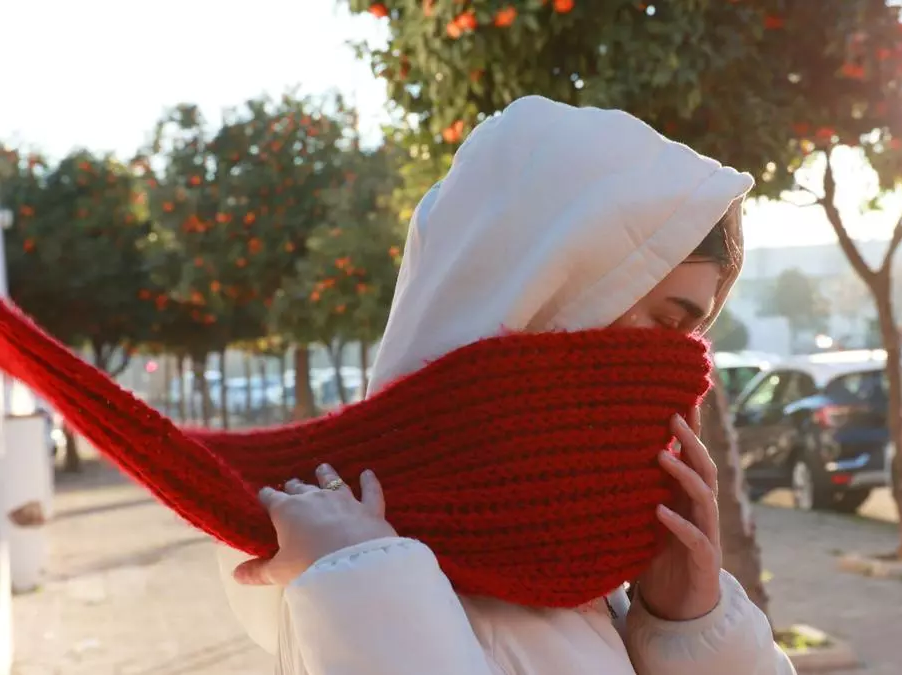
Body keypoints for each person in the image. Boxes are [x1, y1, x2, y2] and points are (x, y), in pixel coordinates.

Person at [215, 95, 796, 675]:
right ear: (546, 287)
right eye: (668, 321)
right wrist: (360, 577)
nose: (676, 363)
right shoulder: (346, 547)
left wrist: (689, 625)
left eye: (690, 331)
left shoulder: (582, 562)